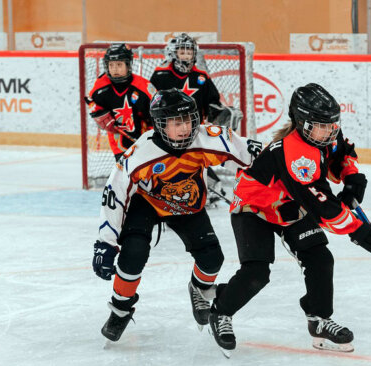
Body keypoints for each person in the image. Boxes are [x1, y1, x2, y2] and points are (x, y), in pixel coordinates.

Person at [206, 83, 371, 357]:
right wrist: (359, 231)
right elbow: (322, 208)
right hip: (254, 208)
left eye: (332, 124)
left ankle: (319, 320)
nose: (329, 131)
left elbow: (342, 152)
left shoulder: (324, 133)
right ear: (302, 123)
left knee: (320, 258)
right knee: (256, 273)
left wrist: (351, 178)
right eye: (322, 126)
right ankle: (220, 311)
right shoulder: (295, 154)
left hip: (289, 206)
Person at [91, 88, 262, 343]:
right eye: (176, 122)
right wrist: (106, 242)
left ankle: (199, 289)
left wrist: (281, 167)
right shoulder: (141, 152)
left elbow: (250, 153)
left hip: (186, 202)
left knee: (212, 259)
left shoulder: (207, 138)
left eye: (189, 120)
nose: (185, 128)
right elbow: (114, 193)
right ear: (160, 125)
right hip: (147, 203)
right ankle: (120, 308)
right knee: (133, 254)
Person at [150, 33, 238, 204]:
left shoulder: (201, 77)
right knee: (169, 158)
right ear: (174, 53)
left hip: (193, 127)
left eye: (189, 52)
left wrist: (220, 114)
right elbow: (151, 101)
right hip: (168, 127)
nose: (186, 56)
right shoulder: (161, 75)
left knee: (193, 157)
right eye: (182, 52)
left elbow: (213, 102)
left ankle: (209, 187)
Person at [86, 43, 155, 161]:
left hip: (145, 141)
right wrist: (98, 114)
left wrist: (152, 135)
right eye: (111, 65)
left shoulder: (144, 87)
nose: (115, 69)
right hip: (118, 144)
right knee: (125, 170)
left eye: (119, 64)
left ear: (128, 65)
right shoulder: (101, 87)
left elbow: (157, 114)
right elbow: (91, 101)